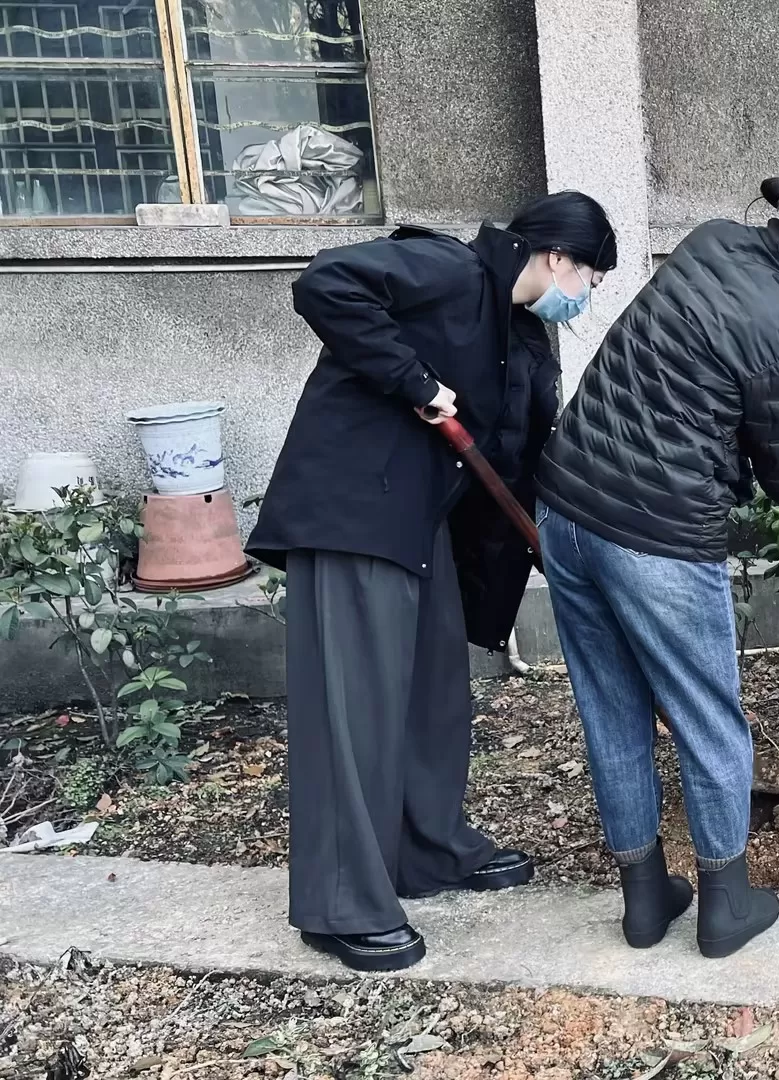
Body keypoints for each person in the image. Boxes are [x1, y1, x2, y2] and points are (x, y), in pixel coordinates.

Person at [534, 151, 779, 958]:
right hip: (658, 535)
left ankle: (645, 901)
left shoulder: (711, 242)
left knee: (612, 710)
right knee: (710, 718)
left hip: (567, 504)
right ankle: (725, 906)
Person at [248, 192, 618, 971]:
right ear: (558, 258)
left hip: (422, 527)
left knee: (434, 692)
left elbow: (521, 451)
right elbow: (325, 284)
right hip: (355, 514)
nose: (582, 294)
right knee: (355, 710)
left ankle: (427, 847)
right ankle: (340, 902)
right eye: (588, 275)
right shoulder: (450, 268)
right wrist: (414, 380)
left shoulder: (515, 334)